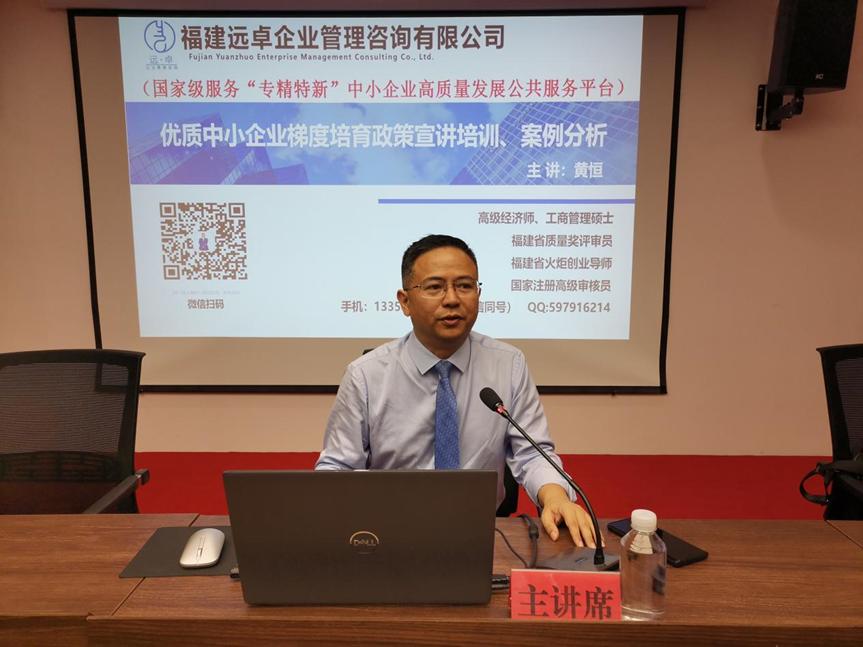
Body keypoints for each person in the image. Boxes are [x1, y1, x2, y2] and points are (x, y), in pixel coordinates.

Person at [316, 234, 597, 547]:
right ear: (405, 301)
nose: (451, 299)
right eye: (435, 287)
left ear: (478, 294)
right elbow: (337, 468)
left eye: (464, 286)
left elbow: (532, 453)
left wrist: (556, 497)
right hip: (386, 533)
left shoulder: (508, 365)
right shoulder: (366, 375)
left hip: (481, 533)